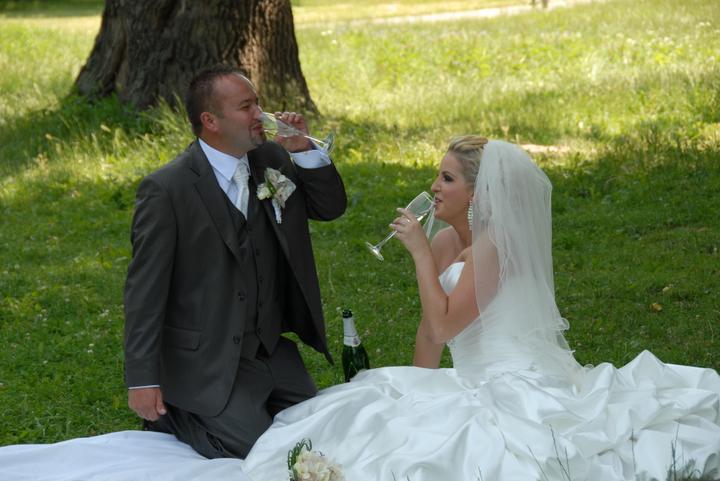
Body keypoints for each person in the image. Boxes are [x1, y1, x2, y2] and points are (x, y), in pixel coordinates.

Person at [241, 137, 720, 481]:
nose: (435, 187)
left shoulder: (494, 247)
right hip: (468, 376)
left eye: (447, 178)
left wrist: (419, 255)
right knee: (377, 412)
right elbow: (429, 330)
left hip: (512, 381)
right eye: (438, 175)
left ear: (477, 193)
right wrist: (416, 390)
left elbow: (447, 325)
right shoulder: (446, 242)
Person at [123, 64, 347, 459]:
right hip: (208, 356)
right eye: (246, 107)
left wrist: (303, 152)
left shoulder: (272, 159)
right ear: (211, 121)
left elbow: (329, 208)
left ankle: (250, 398)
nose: (260, 114)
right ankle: (176, 415)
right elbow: (144, 291)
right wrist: (142, 379)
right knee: (256, 449)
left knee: (320, 432)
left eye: (258, 103)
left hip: (268, 345)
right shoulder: (167, 189)